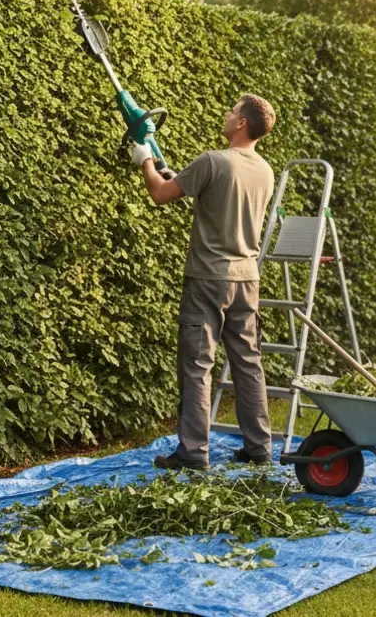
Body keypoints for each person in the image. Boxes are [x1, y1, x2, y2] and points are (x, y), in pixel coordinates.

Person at [131, 93, 277, 469]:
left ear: (242, 123)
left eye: (232, 112)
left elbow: (161, 194)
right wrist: (176, 176)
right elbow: (200, 189)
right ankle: (259, 448)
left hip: (208, 278)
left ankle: (193, 453)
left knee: (198, 365)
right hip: (247, 279)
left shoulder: (213, 160)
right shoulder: (265, 170)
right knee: (248, 362)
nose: (227, 115)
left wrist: (144, 159)